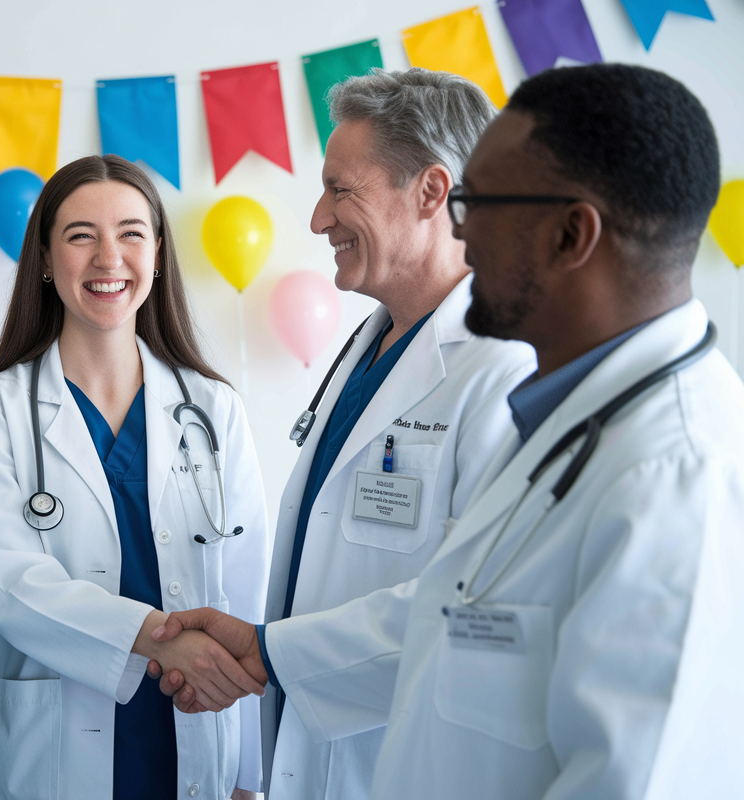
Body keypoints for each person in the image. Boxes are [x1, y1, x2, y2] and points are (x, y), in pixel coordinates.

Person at [156, 63, 744, 799]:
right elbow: (460, 611)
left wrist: (276, 658)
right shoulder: (575, 415)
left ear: (571, 234)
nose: (463, 230)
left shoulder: (676, 469)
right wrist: (271, 660)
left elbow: (641, 776)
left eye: (483, 203)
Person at [152, 68, 535, 800]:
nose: (318, 219)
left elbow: (475, 609)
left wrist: (270, 656)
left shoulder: (506, 368)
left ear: (431, 191)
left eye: (341, 190)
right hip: (307, 761)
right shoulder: (367, 342)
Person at [0, 154, 272, 800]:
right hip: (48, 752)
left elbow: (246, 588)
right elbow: (11, 587)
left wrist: (246, 773)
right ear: (44, 259)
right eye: (80, 236)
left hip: (192, 727)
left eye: (130, 233)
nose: (108, 258)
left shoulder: (212, 409)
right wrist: (157, 639)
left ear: (157, 253)